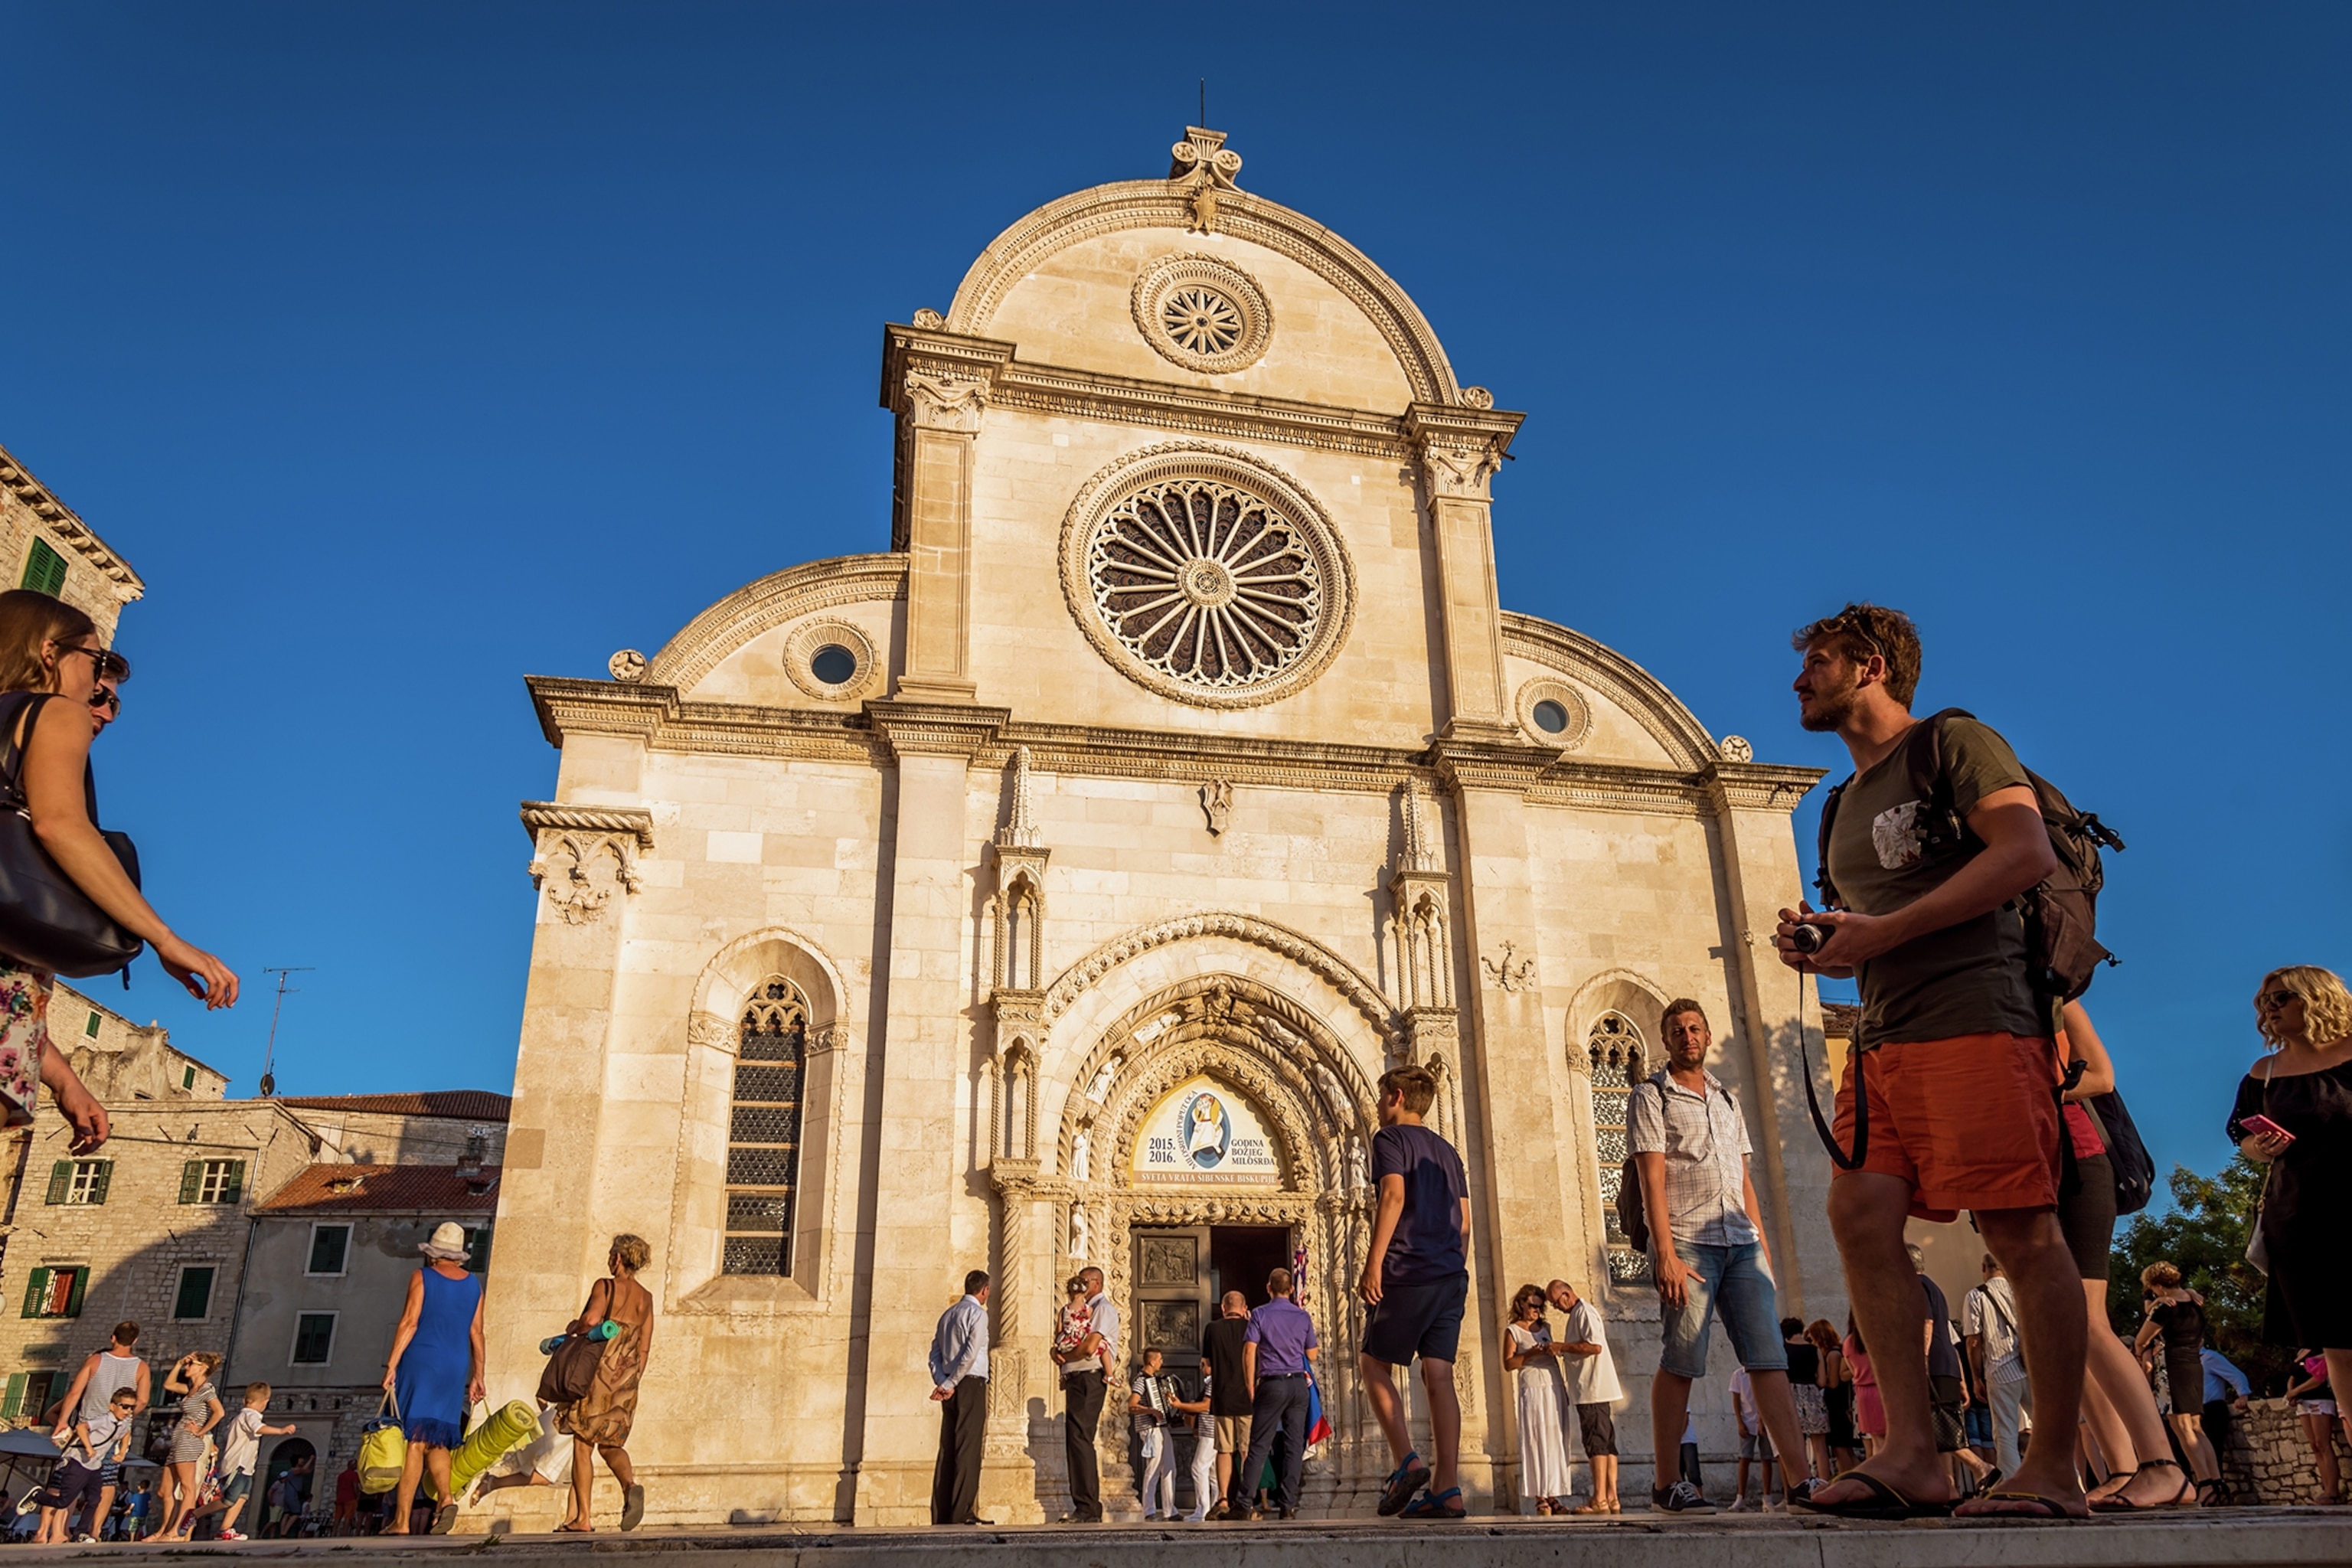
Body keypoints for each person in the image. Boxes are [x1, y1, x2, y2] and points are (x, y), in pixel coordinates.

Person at [1776, 603, 2086, 1520]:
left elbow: (2024, 852)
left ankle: (2057, 1466)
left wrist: (1886, 929)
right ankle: (1912, 1453)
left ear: (1870, 666)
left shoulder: (1952, 741)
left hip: (1975, 1017)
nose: (1800, 678)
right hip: (1881, 1040)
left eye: (1818, 662)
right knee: (1860, 1216)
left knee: (2019, 1233)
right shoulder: (1839, 803)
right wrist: (1824, 940)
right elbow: (1870, 925)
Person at [0, 590, 238, 1153]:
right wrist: (165, 939)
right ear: (49, 652)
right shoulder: (51, 712)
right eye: (94, 662)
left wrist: (62, 1079)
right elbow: (62, 826)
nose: (96, 686)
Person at [1629, 1000, 1816, 1514]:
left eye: (1694, 1028)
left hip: (1742, 1243)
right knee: (1682, 1359)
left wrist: (1764, 1247)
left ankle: (1800, 1482)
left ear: (1707, 1035)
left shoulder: (1727, 1099)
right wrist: (1663, 1252)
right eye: (1677, 1030)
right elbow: (1651, 1178)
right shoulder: (1651, 1096)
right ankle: (1668, 1482)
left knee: (1769, 1360)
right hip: (1687, 1242)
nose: (1687, 1035)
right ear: (1666, 1040)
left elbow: (1743, 1177)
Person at [2233, 962, 2352, 1477]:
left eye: (2281, 997)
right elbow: (2239, 1137)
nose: (2270, 1009)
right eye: (2264, 1002)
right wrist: (2259, 1145)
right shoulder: (2264, 1073)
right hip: (2298, 1218)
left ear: (2315, 997)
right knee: (2339, 1347)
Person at [1356, 1063, 1472, 1520]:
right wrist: (1451, 1263)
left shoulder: (1390, 1140)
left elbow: (1393, 1197)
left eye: (1383, 1094)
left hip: (1408, 1268)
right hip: (1449, 1274)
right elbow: (1463, 1221)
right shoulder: (1448, 1151)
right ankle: (1448, 1488)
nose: (1380, 1102)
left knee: (1372, 1362)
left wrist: (1374, 1263)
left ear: (1397, 1097)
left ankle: (1406, 1461)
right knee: (1438, 1375)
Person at [381, 1221, 486, 1534]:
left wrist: (391, 1364)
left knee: (414, 1439)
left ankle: (401, 1522)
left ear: (431, 1254)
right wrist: (478, 1374)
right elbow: (477, 1332)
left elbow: (410, 1323)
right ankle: (446, 1497)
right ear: (458, 1256)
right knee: (438, 1437)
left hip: (422, 1361)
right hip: (455, 1367)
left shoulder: (422, 1276)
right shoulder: (473, 1285)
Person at [555, 1233, 655, 1533]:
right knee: (610, 1444)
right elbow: (645, 1346)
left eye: (612, 1255)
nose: (609, 1261)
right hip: (626, 1378)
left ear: (618, 1258)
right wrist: (632, 1381)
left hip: (597, 1373)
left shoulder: (606, 1286)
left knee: (583, 1445)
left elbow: (591, 1320)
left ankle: (583, 1518)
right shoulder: (646, 1298)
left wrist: (573, 1327)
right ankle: (629, 1485)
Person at [47, 1321, 149, 1537]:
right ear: (135, 1341)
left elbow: (75, 1392)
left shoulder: (96, 1360)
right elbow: (143, 1400)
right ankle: (95, 1531)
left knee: (73, 1478)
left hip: (88, 1430)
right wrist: (125, 1415)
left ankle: (62, 1531)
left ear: (113, 1338)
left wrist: (63, 1420)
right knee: (108, 1481)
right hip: (114, 1434)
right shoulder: (141, 1367)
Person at [1233, 1266, 1317, 1521]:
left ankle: (1244, 1503)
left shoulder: (1259, 1314)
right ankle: (1288, 1505)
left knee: (1259, 1446)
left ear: (1268, 1288)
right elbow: (1312, 1354)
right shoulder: (1303, 1317)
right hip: (1297, 1387)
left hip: (1271, 1383)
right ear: (1291, 1290)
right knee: (1294, 1446)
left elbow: (1249, 1351)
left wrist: (1250, 1385)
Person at [2132, 1263, 2221, 1501]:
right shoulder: (2194, 1303)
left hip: (2171, 1365)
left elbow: (2141, 1340)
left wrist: (2142, 1353)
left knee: (2182, 1428)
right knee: (2196, 1427)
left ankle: (2204, 1484)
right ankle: (2216, 1481)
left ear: (2159, 1286)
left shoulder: (2163, 1308)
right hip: (2193, 1364)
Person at [1547, 1279, 1623, 1513]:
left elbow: (1594, 1346)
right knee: (1607, 1443)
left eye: (1556, 1302)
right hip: (1595, 1389)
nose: (1556, 1307)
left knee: (1596, 1442)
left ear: (1567, 1294)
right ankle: (1611, 1497)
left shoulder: (1584, 1312)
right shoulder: (1580, 1314)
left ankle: (1599, 1498)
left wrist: (1562, 1347)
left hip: (1592, 1388)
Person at [1050, 1264, 1118, 1523]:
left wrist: (1064, 1356)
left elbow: (1091, 1347)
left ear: (1097, 1284)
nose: (1081, 1285)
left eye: (1086, 1281)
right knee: (1076, 1439)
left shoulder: (1102, 1309)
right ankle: (1086, 1507)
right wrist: (1057, 1352)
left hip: (1090, 1377)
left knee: (1080, 1439)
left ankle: (1088, 1508)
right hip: (1077, 1377)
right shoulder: (1077, 1311)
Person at [1500, 1285, 1575, 1514]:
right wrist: (1530, 1354)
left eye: (1540, 1307)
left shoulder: (1546, 1327)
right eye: (1532, 1305)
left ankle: (1554, 1494)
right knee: (1536, 1437)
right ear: (1521, 1303)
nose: (1536, 1310)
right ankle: (1539, 1496)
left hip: (1552, 1383)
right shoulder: (1513, 1331)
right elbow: (1508, 1363)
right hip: (1532, 1386)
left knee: (1555, 1437)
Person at [927, 1268, 991, 1527]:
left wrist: (942, 1381)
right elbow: (971, 1353)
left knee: (948, 1447)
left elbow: (934, 1353)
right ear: (984, 1290)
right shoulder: (978, 1314)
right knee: (968, 1448)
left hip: (950, 1387)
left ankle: (943, 1513)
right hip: (970, 1384)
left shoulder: (948, 1315)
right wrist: (952, 1382)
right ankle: (962, 1512)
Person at [36, 1385, 134, 1543]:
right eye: (125, 1407)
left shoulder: (123, 1424)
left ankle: (80, 1533)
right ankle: (37, 1497)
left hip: (95, 1465)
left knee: (95, 1499)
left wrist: (122, 1452)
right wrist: (86, 1445)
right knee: (64, 1500)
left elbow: (127, 1432)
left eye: (131, 1408)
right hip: (78, 1461)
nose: (129, 1411)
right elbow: (80, 1426)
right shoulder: (100, 1416)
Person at [1962, 1256, 2030, 1478]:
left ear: (1984, 1268)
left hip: (2000, 1369)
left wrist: (1976, 1376)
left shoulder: (1976, 1296)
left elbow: (1974, 1341)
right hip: (2031, 1369)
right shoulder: (2020, 1291)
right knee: (2046, 1428)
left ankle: (2011, 1481)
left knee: (2005, 1432)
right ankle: (2070, 1479)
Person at [211, 1382, 297, 1540]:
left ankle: (224, 1529)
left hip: (245, 1467)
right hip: (238, 1466)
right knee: (229, 1500)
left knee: (241, 1498)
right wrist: (280, 1430)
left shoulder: (239, 1417)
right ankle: (195, 1514)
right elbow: (258, 1428)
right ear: (265, 1402)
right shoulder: (249, 1415)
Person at [158, 1351, 223, 1539]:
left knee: (188, 1489)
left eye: (191, 1364)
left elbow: (219, 1412)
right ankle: (166, 1529)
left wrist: (201, 1432)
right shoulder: (190, 1389)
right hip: (178, 1441)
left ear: (202, 1368)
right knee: (165, 1490)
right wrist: (178, 1363)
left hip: (189, 1442)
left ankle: (177, 1530)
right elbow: (168, 1384)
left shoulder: (206, 1389)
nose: (187, 1367)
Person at [1200, 1291, 1252, 1520]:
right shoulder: (1251, 1327)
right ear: (1244, 1308)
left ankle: (1222, 1498)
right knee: (1247, 1450)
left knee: (1224, 1449)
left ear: (1223, 1308)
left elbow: (1207, 1364)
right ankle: (1246, 1499)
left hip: (1222, 1396)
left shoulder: (1213, 1329)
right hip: (1247, 1397)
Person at [2283, 1351, 2342, 1504]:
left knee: (2323, 1444)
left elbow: (2320, 1377)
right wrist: (2291, 1392)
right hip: (2303, 1402)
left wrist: (2296, 1390)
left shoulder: (2320, 1351)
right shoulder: (2301, 1351)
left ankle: (2333, 1492)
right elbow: (2294, 1374)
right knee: (2314, 1445)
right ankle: (2325, 1489)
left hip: (2319, 1398)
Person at [1129, 1348, 1179, 1521]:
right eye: (1160, 1359)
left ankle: (1170, 1510)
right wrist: (1152, 1410)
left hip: (1162, 1427)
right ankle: (1149, 1510)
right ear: (1152, 1362)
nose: (1162, 1362)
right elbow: (1132, 1405)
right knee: (1153, 1468)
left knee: (1169, 1467)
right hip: (1150, 1428)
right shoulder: (1141, 1381)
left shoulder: (1157, 1381)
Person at [1781, 1317, 1831, 1485]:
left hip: (1790, 1397)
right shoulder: (1814, 1350)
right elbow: (1822, 1382)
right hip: (1812, 1395)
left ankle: (1801, 1483)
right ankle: (1824, 1483)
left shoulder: (1783, 1350)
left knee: (1797, 1445)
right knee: (1820, 1447)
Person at [1810, 1320, 1859, 1474]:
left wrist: (1818, 1376)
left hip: (1837, 1405)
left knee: (1840, 1448)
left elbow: (1833, 1382)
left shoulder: (1833, 1354)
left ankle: (1848, 1478)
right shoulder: (1837, 1351)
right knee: (1847, 1449)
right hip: (1840, 1403)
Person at [2200, 1348, 2250, 1494]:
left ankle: (2216, 1489)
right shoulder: (2185, 1359)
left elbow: (2236, 1375)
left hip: (2212, 1408)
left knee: (2214, 1449)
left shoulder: (2209, 1357)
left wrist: (2243, 1394)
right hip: (2196, 1410)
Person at [1727, 1367, 1773, 1510]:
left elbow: (1766, 1397)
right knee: (1744, 1458)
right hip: (1747, 1420)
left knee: (1766, 1458)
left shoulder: (1762, 1373)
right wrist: (1740, 1423)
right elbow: (1736, 1401)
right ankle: (1740, 1498)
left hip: (1764, 1421)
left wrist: (1763, 1419)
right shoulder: (1738, 1375)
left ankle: (1767, 1497)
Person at [1845, 1318, 1884, 1456]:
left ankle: (1879, 1475)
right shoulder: (1878, 1339)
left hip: (1862, 1394)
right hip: (1881, 1390)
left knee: (1875, 1443)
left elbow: (1852, 1370)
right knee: (1889, 1440)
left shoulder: (1849, 1342)